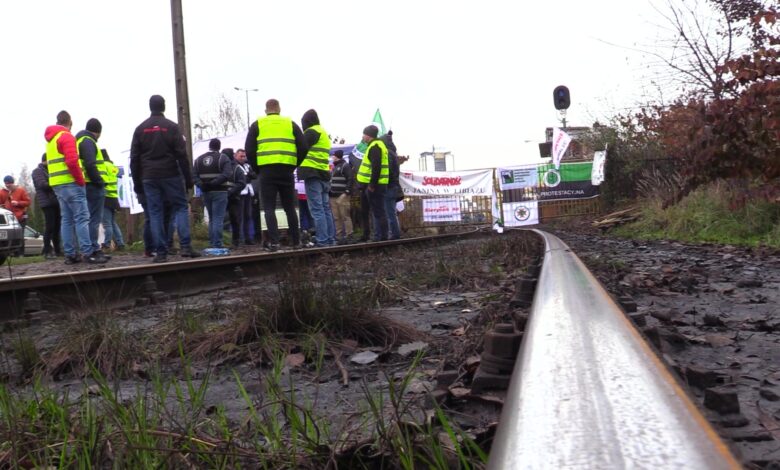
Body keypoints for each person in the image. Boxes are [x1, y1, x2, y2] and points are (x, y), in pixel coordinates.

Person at [130, 95, 200, 262]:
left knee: (155, 213)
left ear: (150, 107)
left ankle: (160, 252)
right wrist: (188, 179)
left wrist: (137, 183)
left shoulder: (140, 129)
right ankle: (185, 246)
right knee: (181, 206)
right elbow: (182, 155)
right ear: (164, 107)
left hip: (149, 176)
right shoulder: (172, 127)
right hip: (170, 174)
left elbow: (134, 159)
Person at [44, 111, 107, 264]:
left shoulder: (51, 141)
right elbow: (72, 161)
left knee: (67, 219)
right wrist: (80, 180)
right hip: (71, 183)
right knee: (82, 218)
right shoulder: (66, 136)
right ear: (70, 122)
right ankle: (88, 252)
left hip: (57, 185)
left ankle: (70, 254)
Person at [244, 99, 305, 251]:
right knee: (289, 207)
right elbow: (303, 146)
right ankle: (296, 242)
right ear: (279, 109)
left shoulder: (258, 124)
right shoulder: (290, 123)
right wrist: (294, 164)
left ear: (266, 110)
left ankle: (275, 242)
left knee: (269, 207)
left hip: (266, 171)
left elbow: (249, 150)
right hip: (286, 170)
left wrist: (257, 169)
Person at [300, 109, 336, 247]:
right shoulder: (323, 133)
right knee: (326, 209)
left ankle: (322, 240)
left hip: (312, 174)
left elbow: (300, 147)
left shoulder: (311, 132)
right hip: (323, 175)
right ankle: (330, 239)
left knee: (317, 209)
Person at [76, 118, 110, 259]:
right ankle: (94, 248)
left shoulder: (79, 140)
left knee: (88, 218)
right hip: (93, 185)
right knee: (94, 220)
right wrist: (99, 181)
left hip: (87, 184)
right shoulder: (88, 142)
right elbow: (90, 164)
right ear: (98, 132)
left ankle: (92, 248)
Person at [194, 138, 232, 249]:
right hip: (220, 191)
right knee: (218, 218)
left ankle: (211, 242)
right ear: (219, 147)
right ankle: (217, 244)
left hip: (205, 192)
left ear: (209, 146)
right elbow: (227, 174)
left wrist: (202, 185)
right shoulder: (223, 158)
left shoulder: (199, 159)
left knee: (211, 218)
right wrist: (214, 183)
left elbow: (194, 176)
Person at [355, 125, 388, 242]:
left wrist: (372, 185)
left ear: (368, 135)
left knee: (378, 211)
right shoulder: (374, 146)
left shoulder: (375, 147)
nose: (362, 136)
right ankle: (366, 234)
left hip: (374, 186)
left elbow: (376, 167)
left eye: (364, 134)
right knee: (365, 211)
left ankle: (382, 237)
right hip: (367, 185)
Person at [31, 154, 62, 258]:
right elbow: (42, 185)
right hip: (47, 203)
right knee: (50, 226)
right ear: (45, 160)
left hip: (56, 202)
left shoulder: (50, 170)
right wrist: (57, 182)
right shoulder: (37, 171)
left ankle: (58, 250)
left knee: (57, 227)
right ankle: (47, 250)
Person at [221, 148, 247, 248]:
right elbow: (242, 183)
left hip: (231, 198)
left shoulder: (235, 168)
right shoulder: (236, 168)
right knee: (234, 220)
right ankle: (233, 241)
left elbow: (242, 183)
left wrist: (230, 192)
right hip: (233, 197)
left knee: (229, 220)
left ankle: (233, 242)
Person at [101, 150, 125, 251]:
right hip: (114, 197)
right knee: (112, 222)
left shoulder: (102, 166)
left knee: (107, 223)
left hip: (105, 196)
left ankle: (106, 244)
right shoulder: (113, 167)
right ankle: (120, 243)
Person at [329, 149, 354, 242]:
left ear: (336, 156)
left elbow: (350, 179)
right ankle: (339, 236)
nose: (332, 157)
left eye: (333, 155)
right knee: (336, 217)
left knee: (345, 216)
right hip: (333, 196)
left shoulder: (345, 166)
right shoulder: (334, 167)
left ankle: (349, 234)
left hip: (342, 195)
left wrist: (346, 192)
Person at [233, 149, 257, 245]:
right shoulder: (234, 166)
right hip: (239, 192)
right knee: (239, 216)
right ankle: (240, 238)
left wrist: (248, 175)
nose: (243, 158)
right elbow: (242, 178)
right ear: (235, 156)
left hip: (248, 191)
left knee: (248, 215)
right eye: (241, 156)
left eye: (244, 156)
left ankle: (248, 237)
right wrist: (248, 176)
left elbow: (254, 175)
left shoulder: (247, 165)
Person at [381, 131, 402, 240]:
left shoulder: (388, 153)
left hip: (389, 187)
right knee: (392, 212)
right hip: (394, 186)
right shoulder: (393, 153)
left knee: (389, 212)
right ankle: (395, 233)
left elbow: (387, 171)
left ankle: (393, 234)